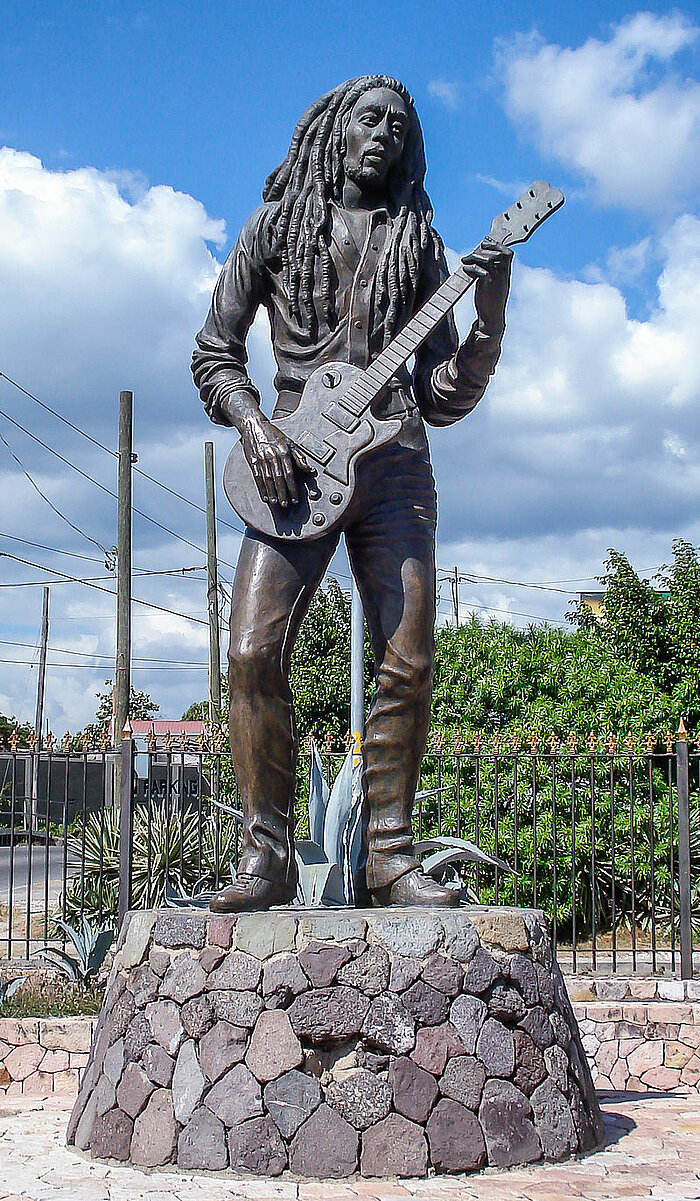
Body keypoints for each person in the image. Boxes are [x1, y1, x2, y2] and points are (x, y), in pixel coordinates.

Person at [191, 75, 512, 911]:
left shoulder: (420, 245)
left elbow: (442, 396)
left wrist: (491, 323)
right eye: (370, 119)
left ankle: (389, 857)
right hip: (293, 463)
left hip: (397, 459)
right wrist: (256, 426)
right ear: (336, 129)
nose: (385, 135)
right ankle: (266, 857)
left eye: (399, 127)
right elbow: (214, 352)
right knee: (252, 652)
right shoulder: (275, 229)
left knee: (408, 658)